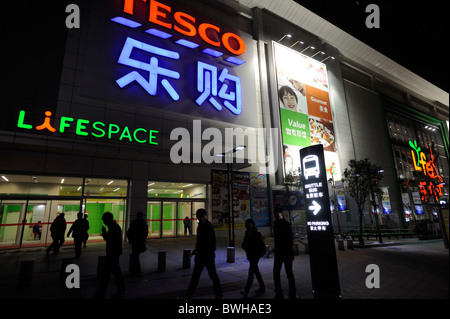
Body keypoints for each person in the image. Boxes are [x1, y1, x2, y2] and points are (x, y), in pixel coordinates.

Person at [184, 209, 222, 300]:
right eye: (198, 216)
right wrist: (196, 251)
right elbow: (200, 241)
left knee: (211, 275)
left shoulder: (208, 226)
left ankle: (219, 295)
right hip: (202, 255)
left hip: (207, 255)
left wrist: (197, 250)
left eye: (200, 216)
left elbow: (207, 242)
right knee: (197, 277)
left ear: (204, 216)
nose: (199, 218)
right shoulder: (201, 226)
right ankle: (188, 297)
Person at [96, 212, 125, 299]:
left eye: (104, 220)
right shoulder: (114, 227)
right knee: (115, 273)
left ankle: (101, 293)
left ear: (108, 219)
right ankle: (120, 290)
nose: (104, 222)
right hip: (114, 253)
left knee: (107, 274)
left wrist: (104, 233)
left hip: (113, 254)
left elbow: (110, 240)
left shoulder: (113, 228)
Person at [272, 207, 296, 299]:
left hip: (282, 252)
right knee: (288, 273)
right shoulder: (284, 224)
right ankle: (291, 292)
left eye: (276, 213)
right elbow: (289, 239)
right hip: (285, 252)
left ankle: (280, 292)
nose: (275, 215)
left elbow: (285, 239)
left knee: (279, 272)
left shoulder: (280, 224)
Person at [240, 218, 266, 298]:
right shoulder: (247, 232)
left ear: (252, 224)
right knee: (256, 271)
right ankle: (262, 287)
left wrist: (258, 253)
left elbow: (261, 244)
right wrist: (245, 247)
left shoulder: (256, 233)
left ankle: (246, 291)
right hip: (250, 255)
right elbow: (244, 243)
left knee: (251, 273)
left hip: (256, 255)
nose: (247, 226)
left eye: (249, 224)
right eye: (246, 224)